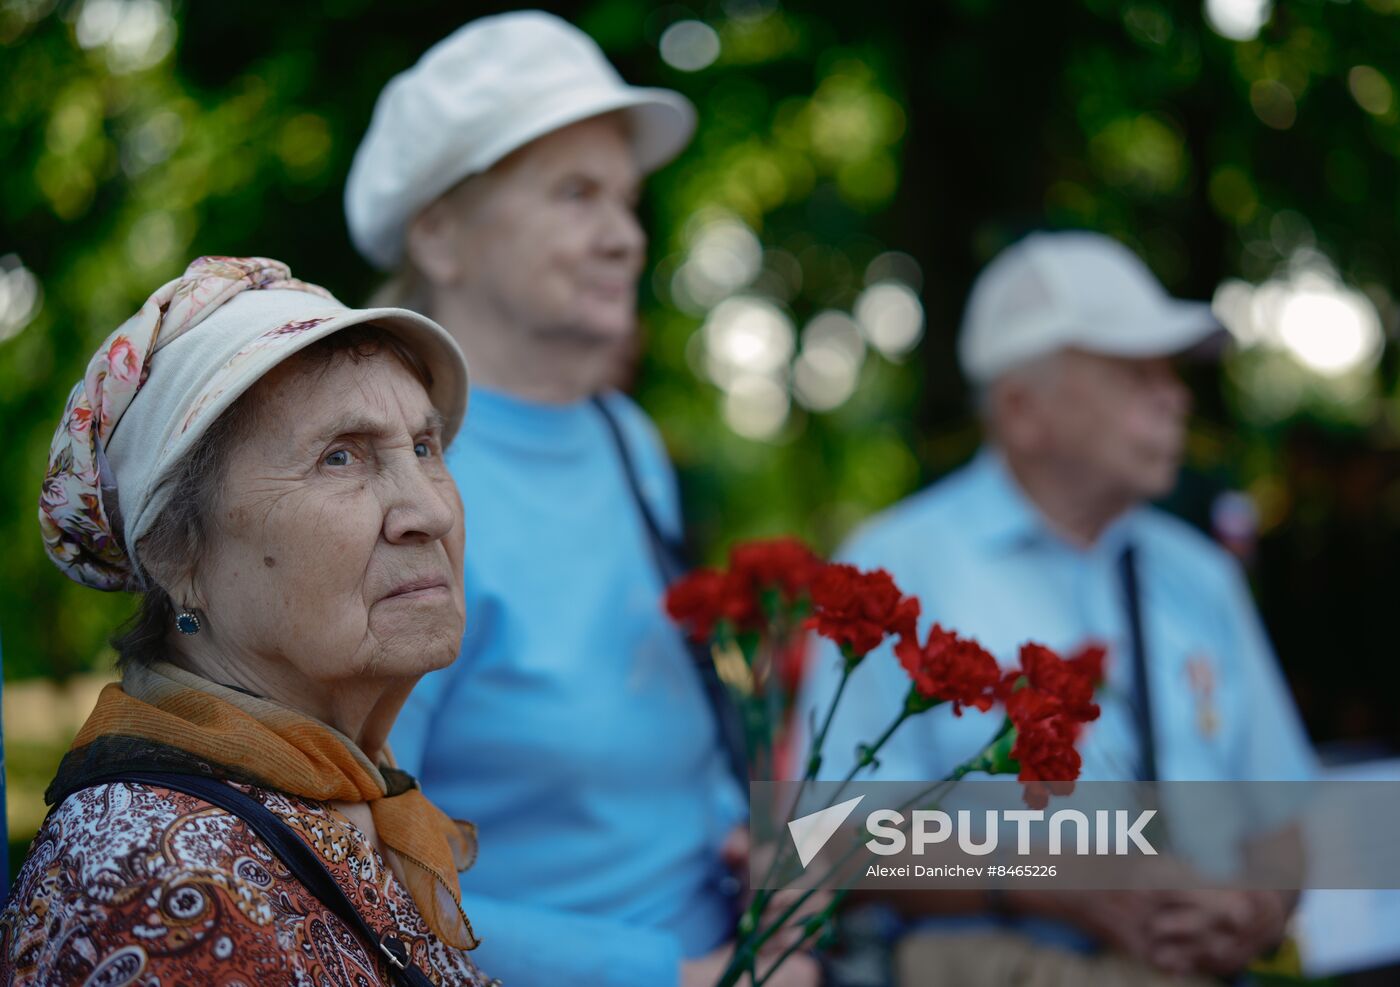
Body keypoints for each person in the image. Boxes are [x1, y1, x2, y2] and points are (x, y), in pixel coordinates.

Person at [345, 12, 817, 987]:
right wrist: (676, 976)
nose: (625, 238)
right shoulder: (389, 487)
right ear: (439, 234)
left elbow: (659, 727)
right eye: (575, 195)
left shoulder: (623, 437)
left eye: (626, 200)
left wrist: (758, 849)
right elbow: (357, 869)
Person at [798, 231, 1316, 984]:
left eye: (1170, 371)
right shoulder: (896, 568)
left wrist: (1254, 911)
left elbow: (1284, 826)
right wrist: (1048, 878)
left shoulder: (1200, 576)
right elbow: (825, 835)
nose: (1174, 396)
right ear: (1022, 411)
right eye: (1134, 372)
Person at [0, 256, 490, 986]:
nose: (431, 511)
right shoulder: (156, 896)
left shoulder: (334, 794)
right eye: (340, 457)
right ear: (177, 554)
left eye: (425, 448)